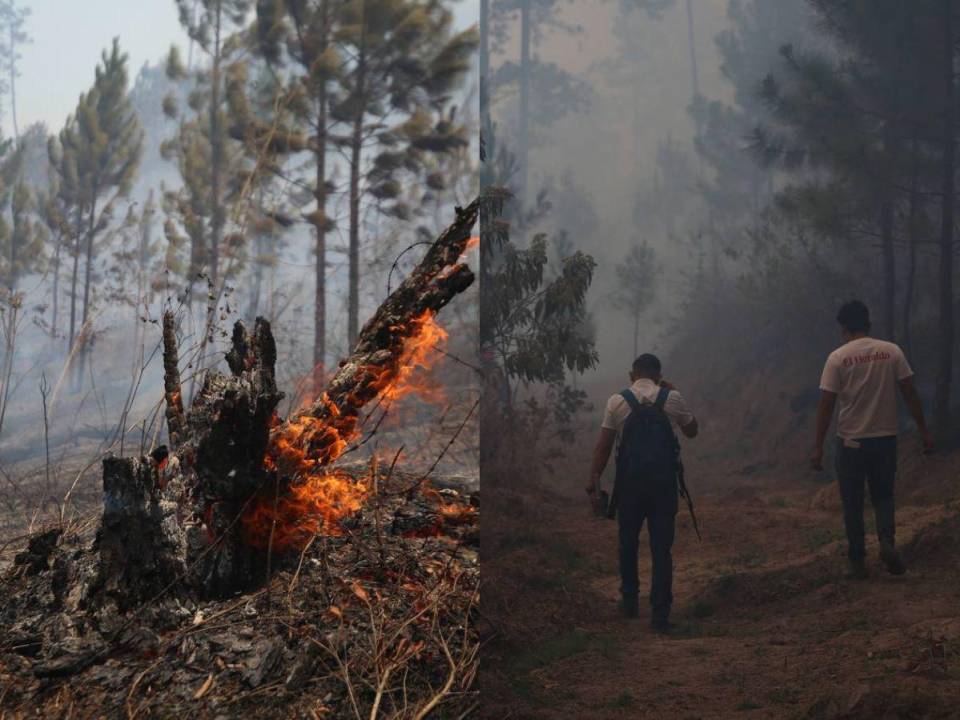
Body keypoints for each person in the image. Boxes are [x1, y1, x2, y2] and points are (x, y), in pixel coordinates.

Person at [811, 300, 933, 579]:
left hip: (851, 442)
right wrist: (924, 431)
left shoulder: (837, 358)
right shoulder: (891, 352)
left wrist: (817, 447)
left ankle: (857, 561)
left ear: (843, 327)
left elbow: (826, 405)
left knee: (852, 502)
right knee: (883, 495)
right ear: (868, 323)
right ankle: (887, 543)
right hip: (885, 439)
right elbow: (910, 393)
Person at [587, 353, 699, 633]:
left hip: (630, 486)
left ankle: (629, 601)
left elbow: (603, 446)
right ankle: (660, 615)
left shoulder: (617, 400)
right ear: (659, 375)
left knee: (628, 542)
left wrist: (594, 479)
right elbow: (692, 431)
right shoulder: (671, 398)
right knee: (662, 549)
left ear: (631, 375)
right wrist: (674, 392)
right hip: (663, 486)